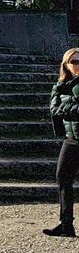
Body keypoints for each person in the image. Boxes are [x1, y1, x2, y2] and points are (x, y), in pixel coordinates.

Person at [45, 47, 79, 237]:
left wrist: (67, 107)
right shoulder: (60, 85)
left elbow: (62, 108)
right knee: (62, 177)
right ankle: (66, 224)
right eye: (74, 62)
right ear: (66, 64)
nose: (77, 65)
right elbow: (54, 109)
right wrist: (72, 107)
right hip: (72, 139)